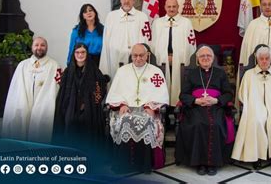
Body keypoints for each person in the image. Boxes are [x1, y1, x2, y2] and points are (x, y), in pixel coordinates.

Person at [105, 44, 169, 173]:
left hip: (147, 109)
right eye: (135, 55)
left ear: (147, 55)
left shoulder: (156, 72)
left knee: (147, 121)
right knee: (124, 121)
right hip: (126, 109)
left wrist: (151, 106)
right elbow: (114, 93)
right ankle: (124, 164)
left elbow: (161, 93)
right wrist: (122, 104)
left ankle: (144, 164)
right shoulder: (122, 71)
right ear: (131, 56)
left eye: (141, 55)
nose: (138, 58)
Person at [175, 45, 234, 176]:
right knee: (197, 124)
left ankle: (213, 163)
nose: (205, 58)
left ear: (213, 58)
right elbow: (183, 95)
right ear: (197, 59)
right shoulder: (192, 74)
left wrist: (216, 100)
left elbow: (229, 94)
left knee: (217, 124)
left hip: (216, 106)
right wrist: (196, 101)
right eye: (202, 56)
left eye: (208, 56)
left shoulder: (220, 73)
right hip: (196, 107)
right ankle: (200, 163)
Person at [2, 37, 61, 142]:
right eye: (36, 45)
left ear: (46, 48)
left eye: (42, 45)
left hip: (44, 105)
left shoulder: (55, 65)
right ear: (32, 47)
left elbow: (57, 87)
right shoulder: (22, 65)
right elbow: (16, 88)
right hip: (24, 103)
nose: (39, 47)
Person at [54, 43, 107, 151]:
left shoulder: (94, 70)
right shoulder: (68, 71)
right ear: (74, 54)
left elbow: (99, 87)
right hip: (71, 108)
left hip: (89, 109)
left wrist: (93, 101)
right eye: (77, 52)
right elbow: (63, 92)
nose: (80, 55)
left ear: (87, 54)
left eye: (83, 52)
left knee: (88, 131)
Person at [151, 0, 196, 106]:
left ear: (178, 7)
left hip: (180, 61)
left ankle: (178, 108)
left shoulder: (186, 22)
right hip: (162, 60)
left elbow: (191, 43)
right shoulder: (157, 22)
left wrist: (181, 58)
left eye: (174, 6)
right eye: (169, 6)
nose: (171, 9)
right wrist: (162, 57)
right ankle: (163, 108)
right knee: (162, 84)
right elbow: (153, 43)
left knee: (178, 85)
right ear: (165, 7)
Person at [100, 0, 151, 79]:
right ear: (120, 0)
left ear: (134, 0)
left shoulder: (142, 16)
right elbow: (106, 40)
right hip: (115, 58)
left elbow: (146, 39)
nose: (126, 1)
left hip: (136, 59)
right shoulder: (111, 16)